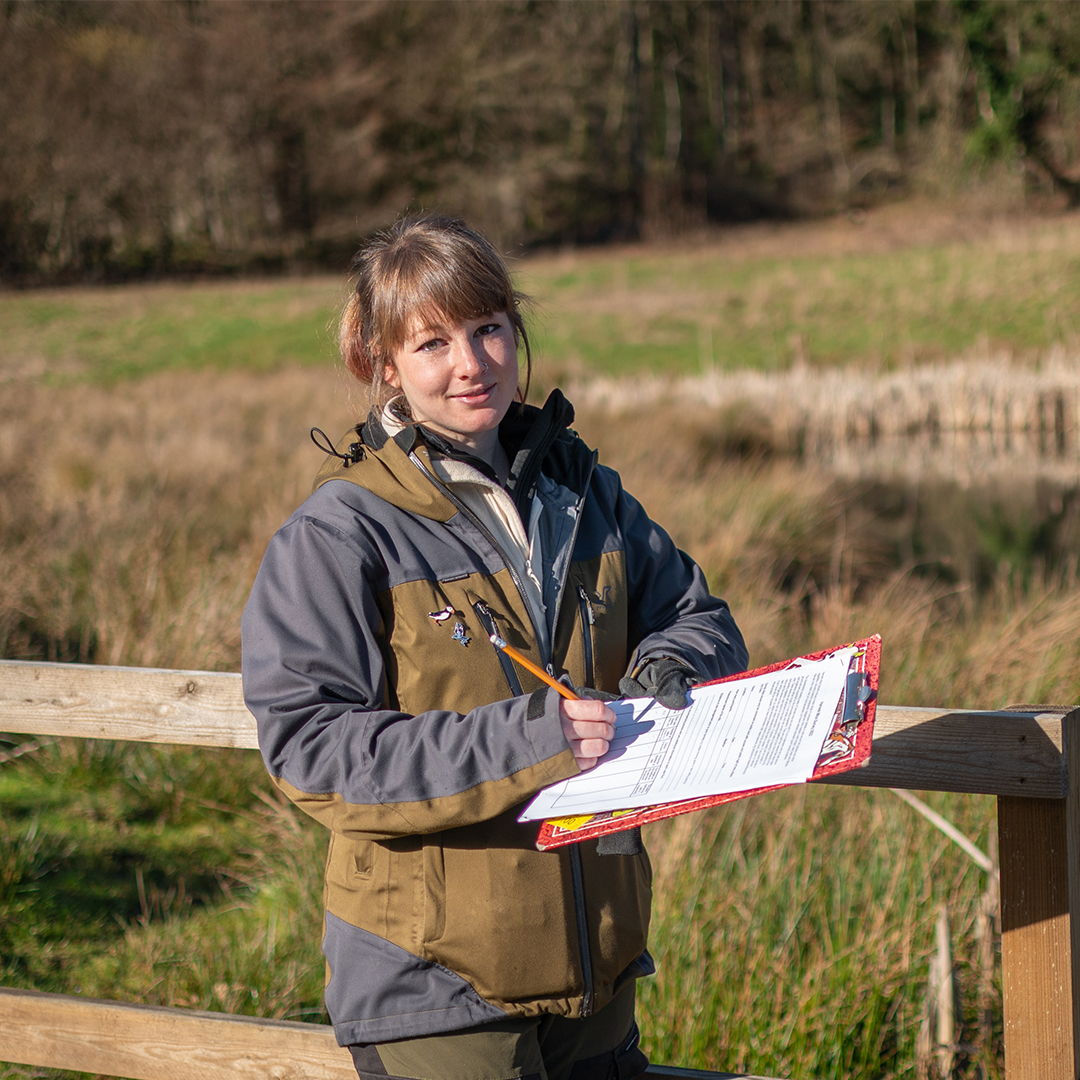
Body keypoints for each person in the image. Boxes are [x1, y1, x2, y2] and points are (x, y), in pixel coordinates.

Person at [241, 214, 747, 1080]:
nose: (471, 363)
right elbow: (311, 750)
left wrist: (669, 670)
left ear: (517, 331)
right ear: (382, 365)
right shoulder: (340, 533)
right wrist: (534, 740)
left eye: (488, 329)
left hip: (597, 971)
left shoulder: (585, 492)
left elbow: (700, 618)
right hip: (434, 985)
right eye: (432, 342)